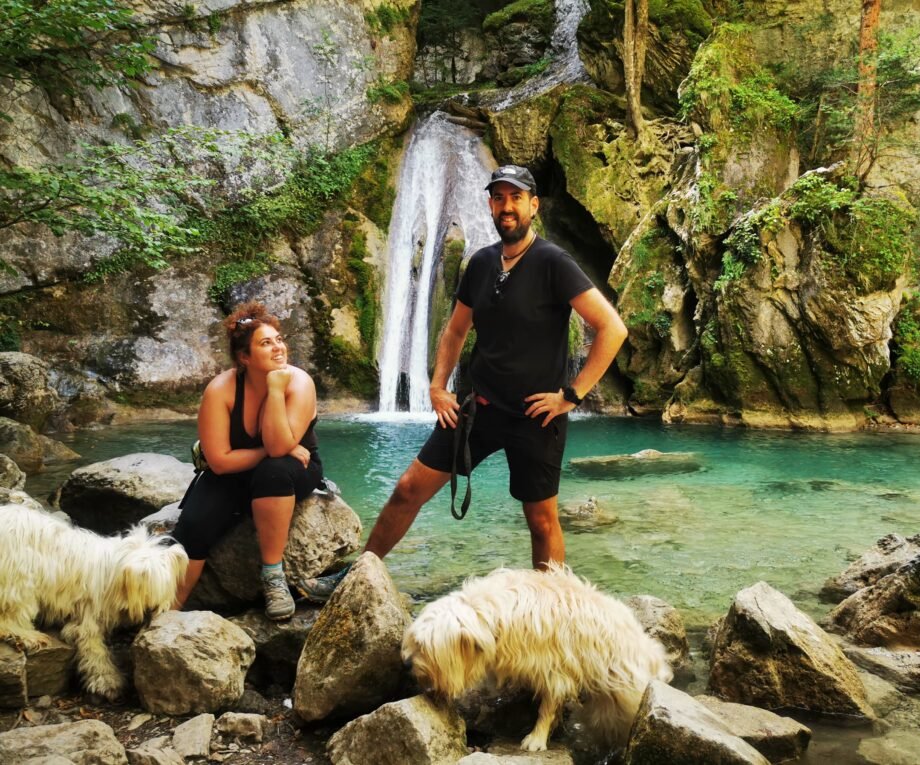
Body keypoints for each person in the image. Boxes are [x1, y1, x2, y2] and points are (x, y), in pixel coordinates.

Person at [299, 164, 628, 602]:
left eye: (515, 197)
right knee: (407, 490)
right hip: (478, 410)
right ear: (491, 205)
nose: (506, 206)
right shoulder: (481, 263)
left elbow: (612, 328)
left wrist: (571, 395)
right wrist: (437, 387)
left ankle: (556, 610)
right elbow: (455, 331)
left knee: (542, 520)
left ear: (533, 205)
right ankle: (353, 578)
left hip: (536, 415)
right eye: (498, 197)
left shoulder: (553, 263)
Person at [172, 301, 323, 620]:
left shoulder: (298, 382)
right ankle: (168, 608)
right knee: (194, 524)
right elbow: (221, 462)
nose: (278, 347)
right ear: (244, 357)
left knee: (274, 471)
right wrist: (272, 451)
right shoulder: (221, 390)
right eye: (266, 343)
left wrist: (275, 389)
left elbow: (280, 447)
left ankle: (272, 576)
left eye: (279, 339)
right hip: (233, 473)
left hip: (294, 471)